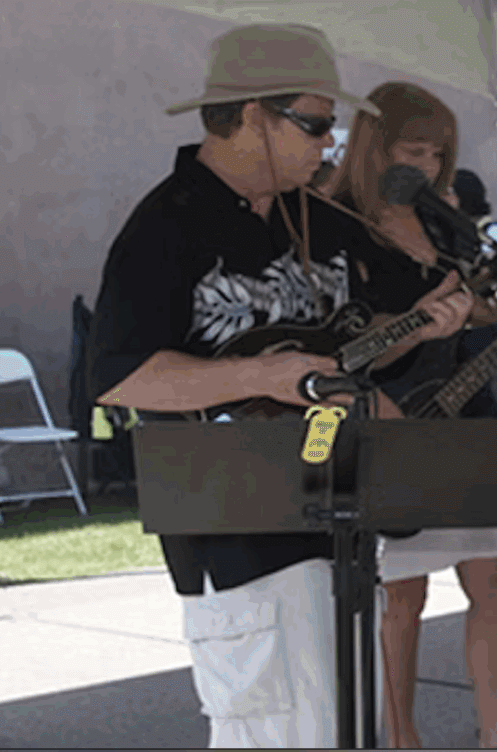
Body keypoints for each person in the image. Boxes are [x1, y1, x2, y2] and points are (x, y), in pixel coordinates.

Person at [84, 24, 466, 748]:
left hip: (337, 513)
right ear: (253, 115)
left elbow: (355, 347)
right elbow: (119, 376)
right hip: (234, 531)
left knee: (349, 729)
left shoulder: (319, 218)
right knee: (279, 732)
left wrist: (420, 325)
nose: (330, 143)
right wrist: (263, 375)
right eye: (316, 122)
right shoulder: (165, 225)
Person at [309, 80, 497, 749]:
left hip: (469, 407)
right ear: (376, 146)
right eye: (414, 149)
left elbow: (472, 308)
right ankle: (402, 740)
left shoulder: (441, 219)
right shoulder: (333, 218)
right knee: (402, 594)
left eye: (438, 153)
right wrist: (416, 326)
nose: (427, 165)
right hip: (390, 417)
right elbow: (340, 333)